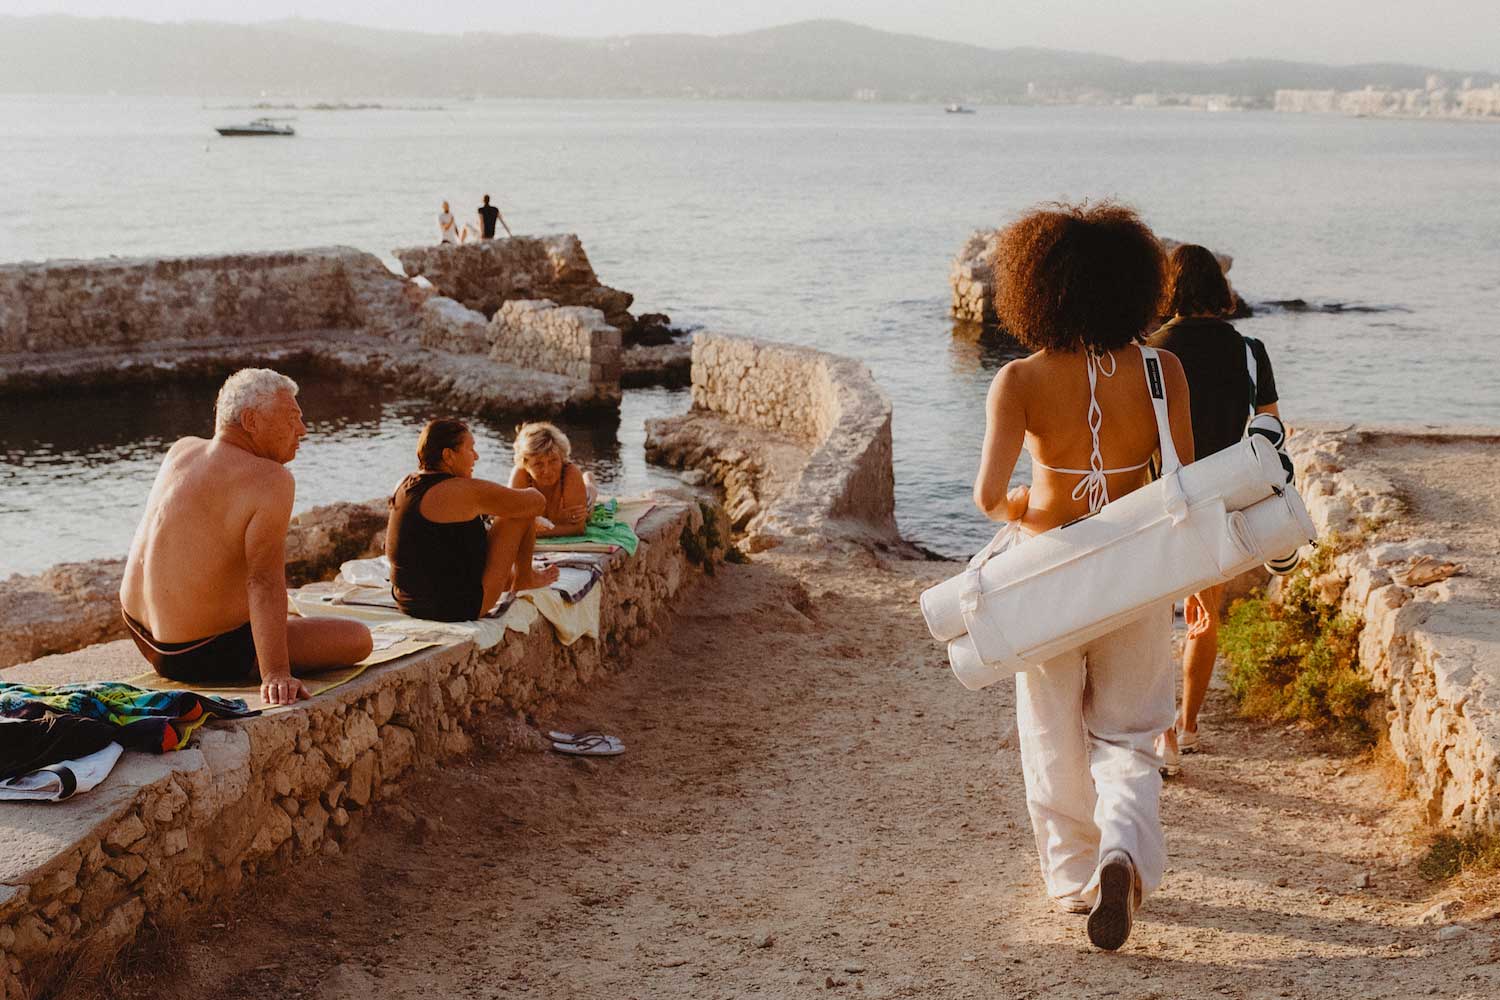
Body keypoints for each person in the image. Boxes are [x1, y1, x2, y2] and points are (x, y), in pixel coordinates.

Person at [972, 201, 1195, 950]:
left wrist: (1028, 506)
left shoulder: (1019, 380)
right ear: (1136, 285)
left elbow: (987, 497)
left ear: (1039, 289)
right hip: (1133, 573)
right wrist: (1198, 583)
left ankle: (1074, 879)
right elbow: (1188, 487)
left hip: (1046, 574)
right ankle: (1122, 852)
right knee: (1129, 735)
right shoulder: (1164, 372)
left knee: (1051, 731)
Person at [119, 369, 373, 707]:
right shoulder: (272, 479)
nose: (303, 430)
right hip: (200, 651)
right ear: (251, 420)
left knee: (287, 620)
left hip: (141, 635)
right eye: (292, 418)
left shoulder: (182, 450)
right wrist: (276, 672)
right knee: (358, 638)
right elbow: (264, 581)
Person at [1147, 244, 1282, 774]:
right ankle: (1190, 725)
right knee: (1204, 616)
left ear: (1169, 288)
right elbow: (1270, 426)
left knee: (1156, 619)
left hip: (1160, 496)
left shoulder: (1151, 351)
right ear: (1218, 290)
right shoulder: (1249, 350)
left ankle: (1163, 738)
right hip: (1219, 498)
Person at [386, 419, 558, 622]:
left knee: (505, 511)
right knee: (519, 511)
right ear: (448, 456)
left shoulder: (404, 484)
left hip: (407, 601)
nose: (476, 456)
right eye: (470, 449)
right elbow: (536, 502)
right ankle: (525, 577)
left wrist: (492, 509)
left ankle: (517, 576)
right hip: (457, 607)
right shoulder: (462, 490)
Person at [508, 422, 596, 538]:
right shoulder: (520, 474)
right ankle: (588, 480)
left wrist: (532, 530)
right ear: (526, 464)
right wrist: (559, 522)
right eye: (538, 464)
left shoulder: (570, 472)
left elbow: (578, 528)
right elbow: (512, 524)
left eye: (553, 460)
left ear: (561, 457)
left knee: (589, 501)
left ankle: (589, 481)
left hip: (575, 486)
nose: (547, 471)